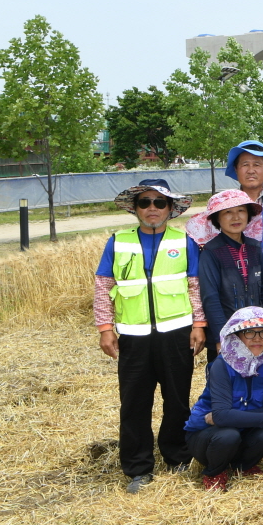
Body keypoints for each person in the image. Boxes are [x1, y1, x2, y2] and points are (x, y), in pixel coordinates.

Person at [92, 178, 206, 494]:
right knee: (134, 404)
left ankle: (177, 456)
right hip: (133, 337)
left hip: (177, 335)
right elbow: (103, 287)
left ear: (171, 209)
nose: (152, 208)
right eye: (145, 202)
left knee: (177, 400)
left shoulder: (185, 243)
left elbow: (195, 287)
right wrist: (105, 329)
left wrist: (199, 326)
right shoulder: (118, 241)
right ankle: (138, 468)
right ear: (135, 208)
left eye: (159, 202)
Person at [183, 308, 263, 492]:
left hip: (244, 431)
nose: (257, 338)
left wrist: (227, 416)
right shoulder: (222, 364)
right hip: (208, 436)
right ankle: (214, 472)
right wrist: (260, 417)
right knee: (228, 435)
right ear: (237, 335)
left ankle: (243, 466)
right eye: (249, 332)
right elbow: (223, 417)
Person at [187, 189, 263, 362]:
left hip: (257, 331)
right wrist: (222, 337)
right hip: (228, 331)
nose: (236, 217)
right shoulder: (211, 252)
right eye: (228, 212)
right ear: (217, 218)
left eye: (241, 210)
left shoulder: (254, 247)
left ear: (248, 215)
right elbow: (210, 297)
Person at [225, 140, 263, 274]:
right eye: (245, 165)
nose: (251, 170)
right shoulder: (224, 205)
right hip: (235, 282)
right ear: (236, 169)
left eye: (257, 164)